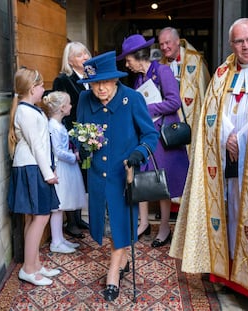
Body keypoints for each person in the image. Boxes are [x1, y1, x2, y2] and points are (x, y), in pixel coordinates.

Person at [168, 17, 248, 304]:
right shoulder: (223, 72)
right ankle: (226, 275)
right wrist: (227, 137)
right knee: (229, 215)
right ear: (231, 44)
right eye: (239, 41)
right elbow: (210, 114)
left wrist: (243, 136)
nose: (246, 46)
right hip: (226, 161)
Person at [75, 51, 158, 301]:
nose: (100, 88)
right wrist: (83, 145)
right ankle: (123, 261)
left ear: (115, 80)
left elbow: (150, 135)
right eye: (95, 83)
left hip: (125, 175)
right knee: (105, 225)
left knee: (122, 224)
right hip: (98, 176)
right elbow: (78, 132)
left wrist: (138, 153)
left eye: (105, 82)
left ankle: (113, 272)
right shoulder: (83, 100)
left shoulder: (132, 99)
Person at [117, 34, 189, 247]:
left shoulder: (162, 71)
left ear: (137, 56)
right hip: (146, 135)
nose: (127, 64)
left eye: (128, 59)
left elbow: (174, 102)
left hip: (163, 136)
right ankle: (144, 223)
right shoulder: (139, 78)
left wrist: (145, 109)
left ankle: (165, 226)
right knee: (143, 177)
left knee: (162, 181)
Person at [7, 68, 61, 286]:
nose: (43, 89)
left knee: (35, 217)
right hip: (32, 167)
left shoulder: (31, 109)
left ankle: (35, 263)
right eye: (40, 86)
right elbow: (37, 146)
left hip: (35, 166)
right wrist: (48, 174)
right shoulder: (26, 112)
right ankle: (28, 269)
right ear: (32, 89)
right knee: (40, 217)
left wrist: (50, 166)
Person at [53, 41, 92, 238]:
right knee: (72, 175)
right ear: (69, 60)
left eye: (85, 54)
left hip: (89, 133)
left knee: (82, 178)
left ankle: (78, 217)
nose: (85, 57)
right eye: (79, 55)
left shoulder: (90, 77)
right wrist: (70, 137)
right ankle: (71, 222)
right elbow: (61, 110)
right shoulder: (63, 80)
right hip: (72, 134)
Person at [42, 91, 88, 254]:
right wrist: (74, 156)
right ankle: (56, 241)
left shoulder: (58, 125)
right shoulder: (53, 126)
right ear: (62, 108)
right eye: (68, 104)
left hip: (66, 166)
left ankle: (60, 238)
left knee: (61, 206)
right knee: (58, 206)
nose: (71, 106)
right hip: (61, 168)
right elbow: (58, 151)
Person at [158, 27, 211, 157]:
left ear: (177, 41)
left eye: (167, 43)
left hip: (192, 120)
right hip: (169, 122)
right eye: (161, 44)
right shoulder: (160, 65)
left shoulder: (196, 61)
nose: (164, 47)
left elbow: (205, 93)